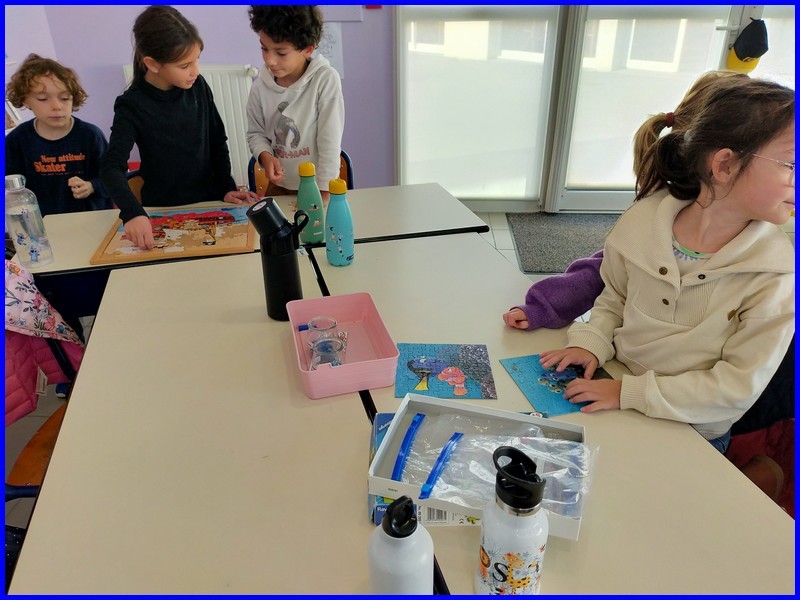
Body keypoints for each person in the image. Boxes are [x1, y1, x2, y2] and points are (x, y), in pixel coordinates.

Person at [537, 75, 795, 454]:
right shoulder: (643, 221)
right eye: (791, 164)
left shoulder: (776, 274)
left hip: (691, 429)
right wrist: (592, 343)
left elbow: (737, 387)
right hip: (614, 387)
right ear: (724, 165)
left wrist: (628, 393)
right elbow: (615, 297)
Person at [503, 71, 750, 333]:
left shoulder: (764, 237)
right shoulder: (659, 215)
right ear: (723, 161)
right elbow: (604, 269)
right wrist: (546, 305)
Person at [100, 5, 259, 250]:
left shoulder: (198, 86)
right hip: (162, 210)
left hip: (210, 203)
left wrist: (226, 188)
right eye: (185, 65)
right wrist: (132, 212)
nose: (195, 71)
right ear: (152, 64)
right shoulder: (131, 104)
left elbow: (217, 140)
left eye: (197, 60)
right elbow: (111, 167)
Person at [246, 5, 345, 201]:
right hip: (279, 187)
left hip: (318, 186)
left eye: (281, 53)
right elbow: (256, 134)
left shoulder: (324, 79)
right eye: (264, 48)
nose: (270, 60)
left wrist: (324, 192)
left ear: (308, 50)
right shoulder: (260, 86)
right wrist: (265, 155)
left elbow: (330, 142)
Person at [5, 54, 113, 217]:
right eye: (43, 99)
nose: (56, 106)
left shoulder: (90, 135)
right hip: (44, 223)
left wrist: (92, 186)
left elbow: (114, 176)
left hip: (93, 219)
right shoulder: (17, 140)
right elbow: (10, 184)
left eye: (64, 98)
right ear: (25, 100)